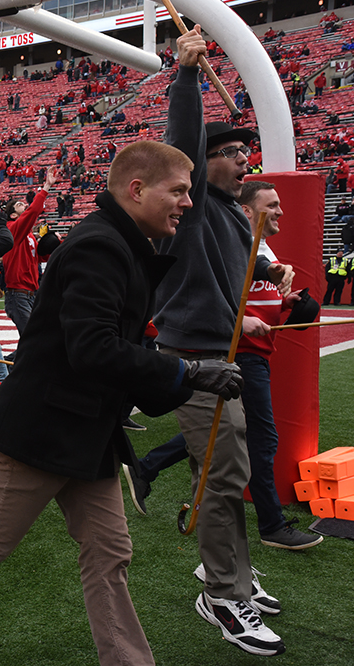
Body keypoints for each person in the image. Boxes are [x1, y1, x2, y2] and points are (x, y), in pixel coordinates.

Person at [0, 140, 242, 664]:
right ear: (137, 189)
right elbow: (94, 347)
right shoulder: (100, 246)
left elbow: (110, 348)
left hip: (85, 429)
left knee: (110, 553)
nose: (189, 203)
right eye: (179, 191)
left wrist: (184, 377)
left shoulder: (121, 244)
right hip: (46, 425)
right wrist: (188, 370)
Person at [151, 26, 293, 656]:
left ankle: (228, 571)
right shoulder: (198, 201)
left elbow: (234, 271)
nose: (243, 159)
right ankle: (222, 592)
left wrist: (259, 292)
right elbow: (180, 142)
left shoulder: (235, 213)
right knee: (224, 475)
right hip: (195, 359)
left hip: (221, 352)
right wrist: (185, 76)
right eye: (231, 152)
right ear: (200, 169)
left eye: (245, 152)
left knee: (227, 473)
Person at [124, 181, 323, 550]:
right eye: (272, 205)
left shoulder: (259, 247)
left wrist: (287, 304)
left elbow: (254, 300)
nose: (281, 212)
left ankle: (146, 466)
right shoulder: (227, 248)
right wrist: (238, 322)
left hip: (252, 353)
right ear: (246, 211)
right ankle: (270, 526)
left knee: (225, 431)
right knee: (254, 437)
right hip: (235, 354)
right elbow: (196, 303)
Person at [0, 167, 59, 342]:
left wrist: (51, 247)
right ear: (12, 215)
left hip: (32, 291)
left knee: (36, 338)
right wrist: (46, 187)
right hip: (18, 292)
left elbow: (38, 257)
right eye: (19, 205)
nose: (23, 205)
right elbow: (32, 213)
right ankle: (9, 367)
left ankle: (11, 365)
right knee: (33, 339)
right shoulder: (11, 229)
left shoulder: (29, 234)